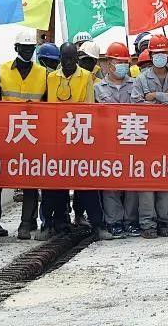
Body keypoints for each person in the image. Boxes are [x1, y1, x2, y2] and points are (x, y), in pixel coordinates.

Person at [38, 43, 104, 240]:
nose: (67, 63)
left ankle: (97, 225)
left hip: (79, 139)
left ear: (77, 58)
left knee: (86, 186)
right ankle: (51, 223)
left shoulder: (86, 77)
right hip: (56, 140)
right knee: (53, 187)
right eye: (64, 59)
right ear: (59, 59)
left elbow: (89, 109)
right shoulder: (51, 78)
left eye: (71, 58)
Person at [0, 30, 48, 239]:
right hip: (6, 133)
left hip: (32, 135)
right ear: (16, 48)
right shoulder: (2, 70)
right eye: (23, 48)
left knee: (30, 182)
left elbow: (48, 105)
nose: (27, 51)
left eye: (30, 48)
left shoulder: (43, 73)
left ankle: (26, 224)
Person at [132, 34, 168, 239]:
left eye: (163, 53)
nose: (160, 56)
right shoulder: (141, 79)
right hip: (146, 136)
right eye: (156, 53)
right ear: (150, 55)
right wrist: (165, 101)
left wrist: (155, 96)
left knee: (165, 181)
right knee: (147, 182)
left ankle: (163, 219)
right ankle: (147, 223)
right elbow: (136, 104)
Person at [95, 42, 138, 238]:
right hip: (108, 141)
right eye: (117, 62)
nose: (121, 66)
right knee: (111, 181)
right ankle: (114, 220)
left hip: (131, 139)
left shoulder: (135, 84)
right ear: (109, 64)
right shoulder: (98, 88)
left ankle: (130, 220)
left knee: (131, 182)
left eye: (124, 62)